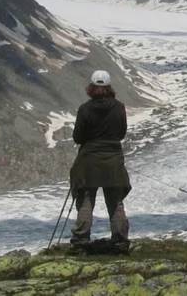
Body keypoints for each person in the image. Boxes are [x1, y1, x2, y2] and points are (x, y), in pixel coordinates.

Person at [69, 69, 132, 255]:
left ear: (91, 86)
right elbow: (121, 133)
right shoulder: (119, 107)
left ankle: (81, 242)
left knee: (86, 202)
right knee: (116, 203)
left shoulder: (85, 109)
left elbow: (78, 137)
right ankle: (120, 243)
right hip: (113, 161)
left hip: (89, 162)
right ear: (109, 86)